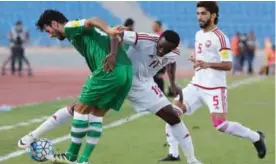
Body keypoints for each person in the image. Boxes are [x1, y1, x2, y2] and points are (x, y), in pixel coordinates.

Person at [18, 29, 202, 164]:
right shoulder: (144, 39)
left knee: (173, 117)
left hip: (144, 85)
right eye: (160, 47)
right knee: (79, 109)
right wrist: (114, 54)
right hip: (120, 77)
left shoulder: (174, 52)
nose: (161, 51)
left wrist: (172, 83)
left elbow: (170, 62)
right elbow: (116, 34)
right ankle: (33, 136)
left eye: (166, 49)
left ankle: (193, 160)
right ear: (158, 39)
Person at [19, 9, 133, 164]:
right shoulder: (81, 34)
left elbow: (93, 19)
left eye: (48, 30)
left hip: (107, 71)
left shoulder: (70, 27)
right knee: (96, 115)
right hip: (126, 72)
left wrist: (107, 31)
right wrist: (113, 47)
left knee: (79, 109)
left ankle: (71, 155)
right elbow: (115, 35)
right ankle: (83, 160)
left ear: (54, 23)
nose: (50, 35)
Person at [160, 1, 266, 162]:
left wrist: (207, 64)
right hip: (196, 85)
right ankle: (173, 153)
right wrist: (197, 60)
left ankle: (256, 137)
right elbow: (205, 57)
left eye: (203, 13)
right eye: (198, 13)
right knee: (171, 113)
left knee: (220, 125)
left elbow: (228, 64)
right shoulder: (198, 35)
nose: (199, 17)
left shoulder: (221, 38)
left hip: (214, 88)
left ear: (213, 15)